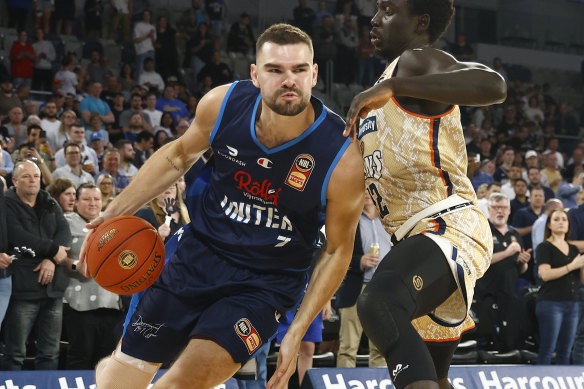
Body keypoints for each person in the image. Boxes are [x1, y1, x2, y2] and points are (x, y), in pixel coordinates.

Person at [84, 23, 364, 389]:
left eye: (298, 70)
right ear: (255, 74)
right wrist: (113, 212)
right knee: (116, 382)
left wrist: (296, 330)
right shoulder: (224, 104)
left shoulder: (341, 155)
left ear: (314, 74)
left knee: (179, 384)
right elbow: (177, 155)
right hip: (197, 257)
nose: (288, 80)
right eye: (275, 70)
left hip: (264, 284)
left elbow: (339, 248)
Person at [343, 0, 507, 387]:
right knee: (435, 376)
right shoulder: (383, 87)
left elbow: (494, 85)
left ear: (420, 21)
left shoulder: (415, 62)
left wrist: (396, 85)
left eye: (387, 9)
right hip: (415, 242)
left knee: (379, 302)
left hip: (448, 225)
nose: (375, 18)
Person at [2, 160, 71, 370]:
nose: (33, 180)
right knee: (15, 352)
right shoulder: (5, 203)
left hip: (53, 290)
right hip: (22, 290)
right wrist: (53, 251)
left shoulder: (48, 200)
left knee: (50, 353)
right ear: (14, 181)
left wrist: (50, 260)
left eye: (36, 176)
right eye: (26, 176)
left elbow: (64, 232)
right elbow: (18, 236)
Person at [63, 182, 125, 369]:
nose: (92, 203)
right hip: (79, 304)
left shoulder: (113, 223)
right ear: (76, 202)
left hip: (111, 302)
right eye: (86, 199)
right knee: (80, 356)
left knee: (106, 359)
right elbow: (57, 255)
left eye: (96, 199)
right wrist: (75, 265)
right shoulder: (66, 222)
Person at [336, 191, 388, 368]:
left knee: (381, 348)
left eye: (370, 189)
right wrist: (359, 261)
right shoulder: (349, 220)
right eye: (362, 189)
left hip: (383, 289)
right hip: (355, 288)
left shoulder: (390, 221)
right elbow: (336, 255)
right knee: (347, 348)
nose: (366, 193)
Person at [535, 209, 584, 364]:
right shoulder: (544, 247)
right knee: (548, 349)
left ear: (569, 225)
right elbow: (545, 274)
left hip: (572, 303)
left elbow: (581, 280)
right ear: (549, 224)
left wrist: (581, 266)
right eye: (556, 219)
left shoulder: (574, 249)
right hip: (551, 303)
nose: (561, 222)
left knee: (565, 351)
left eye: (564, 219)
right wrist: (572, 266)